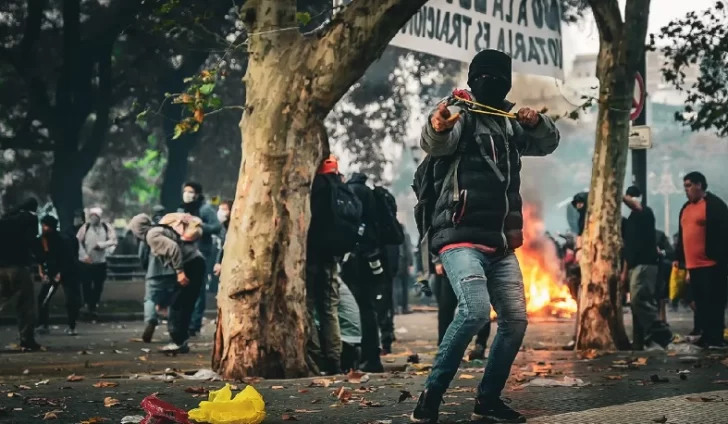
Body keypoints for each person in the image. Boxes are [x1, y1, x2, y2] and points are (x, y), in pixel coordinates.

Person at [410, 49, 560, 424]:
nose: (491, 83)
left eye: (499, 77)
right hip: (458, 236)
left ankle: (487, 400)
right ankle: (430, 396)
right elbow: (436, 140)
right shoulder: (460, 110)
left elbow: (547, 143)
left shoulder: (510, 124)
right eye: (485, 76)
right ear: (474, 78)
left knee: (515, 320)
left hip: (500, 243)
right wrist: (440, 124)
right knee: (475, 310)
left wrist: (537, 121)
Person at [129, 213, 205, 353]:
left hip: (190, 264)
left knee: (177, 305)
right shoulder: (156, 231)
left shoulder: (152, 235)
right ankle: (181, 341)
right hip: (194, 261)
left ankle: (178, 341)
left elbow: (173, 248)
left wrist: (179, 271)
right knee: (183, 305)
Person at [674, 172, 728, 348]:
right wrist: (679, 257)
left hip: (712, 264)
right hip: (693, 264)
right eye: (685, 187)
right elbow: (682, 235)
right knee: (700, 303)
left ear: (700, 185)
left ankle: (716, 337)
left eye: (689, 186)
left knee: (714, 302)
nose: (686, 190)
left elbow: (723, 234)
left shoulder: (715, 205)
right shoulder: (685, 208)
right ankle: (704, 334)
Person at [343, 172, 386, 373]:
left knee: (358, 308)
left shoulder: (351, 192)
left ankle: (362, 356)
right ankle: (373, 355)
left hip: (356, 261)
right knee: (369, 307)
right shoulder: (372, 194)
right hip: (372, 258)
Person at [306, 156, 344, 375]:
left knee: (308, 307)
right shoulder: (340, 187)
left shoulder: (316, 187)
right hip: (331, 259)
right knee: (329, 309)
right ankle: (334, 360)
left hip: (312, 256)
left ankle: (315, 356)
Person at [622, 186, 673, 350]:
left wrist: (618, 194)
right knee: (638, 302)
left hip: (645, 264)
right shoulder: (629, 221)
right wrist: (624, 272)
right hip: (634, 266)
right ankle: (646, 339)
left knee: (639, 300)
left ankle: (661, 333)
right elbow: (627, 250)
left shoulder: (645, 213)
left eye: (633, 197)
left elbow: (636, 206)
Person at [178, 181, 221, 337]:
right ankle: (184, 321)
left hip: (201, 253)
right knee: (183, 287)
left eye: (191, 192)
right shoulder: (181, 209)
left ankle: (195, 323)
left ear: (197, 194)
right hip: (183, 253)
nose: (187, 194)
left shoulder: (205, 209)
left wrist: (200, 227)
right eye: (185, 191)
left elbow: (216, 226)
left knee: (199, 288)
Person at [0, 198, 41, 350]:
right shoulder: (30, 218)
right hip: (18, 267)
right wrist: (40, 258)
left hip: (1, 267)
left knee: (2, 299)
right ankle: (27, 339)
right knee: (25, 304)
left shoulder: (6, 219)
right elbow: (31, 240)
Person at [431, 259, 491, 360]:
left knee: (480, 305)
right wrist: (438, 261)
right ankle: (444, 348)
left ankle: (480, 345)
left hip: (477, 263)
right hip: (451, 263)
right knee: (446, 307)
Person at [36, 215, 82, 335]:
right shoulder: (42, 240)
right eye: (43, 225)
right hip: (52, 271)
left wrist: (61, 273)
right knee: (43, 298)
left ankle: (72, 326)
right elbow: (41, 258)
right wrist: (42, 273)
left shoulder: (63, 240)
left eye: (46, 226)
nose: (44, 228)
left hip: (68, 271)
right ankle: (43, 324)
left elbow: (68, 258)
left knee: (71, 300)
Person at [138, 205, 177, 343]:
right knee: (173, 301)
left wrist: (146, 268)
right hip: (172, 272)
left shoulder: (150, 232)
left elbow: (142, 255)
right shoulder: (173, 231)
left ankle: (151, 319)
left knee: (150, 299)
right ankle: (174, 329)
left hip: (153, 272)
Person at [77, 207, 117, 319]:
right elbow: (77, 242)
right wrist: (84, 256)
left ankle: (93, 306)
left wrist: (103, 246)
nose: (93, 218)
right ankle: (87, 305)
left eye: (96, 216)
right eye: (92, 216)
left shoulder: (106, 227)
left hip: (101, 262)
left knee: (98, 285)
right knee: (86, 285)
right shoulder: (85, 227)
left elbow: (113, 241)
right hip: (87, 262)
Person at [395, 220, 414, 315]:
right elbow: (409, 251)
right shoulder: (406, 235)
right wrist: (410, 264)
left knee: (395, 286)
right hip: (404, 264)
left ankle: (396, 308)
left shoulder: (393, 235)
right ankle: (404, 307)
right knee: (404, 287)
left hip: (394, 264)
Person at [655, 229, 675, 322]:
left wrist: (661, 252)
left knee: (660, 296)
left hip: (658, 270)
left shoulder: (659, 235)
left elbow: (670, 251)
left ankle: (662, 320)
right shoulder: (635, 234)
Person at [212, 200, 233, 279]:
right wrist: (218, 262)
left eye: (224, 209)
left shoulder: (234, 227)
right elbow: (223, 246)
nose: (220, 212)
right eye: (219, 209)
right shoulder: (223, 227)